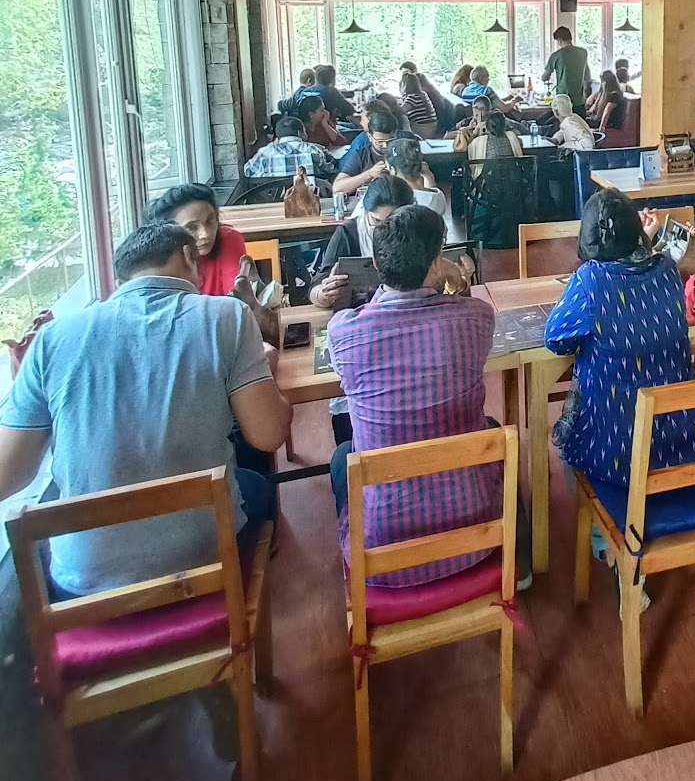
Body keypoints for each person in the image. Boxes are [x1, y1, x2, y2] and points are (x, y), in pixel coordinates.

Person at [0, 223, 291, 598]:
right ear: (187, 256)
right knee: (255, 485)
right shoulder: (226, 317)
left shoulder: (50, 341)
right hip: (206, 559)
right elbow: (268, 435)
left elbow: (8, 476)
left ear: (120, 278)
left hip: (82, 587)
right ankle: (243, 615)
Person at [327, 207, 530, 589]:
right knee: (492, 432)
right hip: (474, 531)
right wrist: (458, 282)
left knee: (343, 458)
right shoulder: (476, 318)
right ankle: (521, 566)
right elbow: (466, 321)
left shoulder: (345, 332)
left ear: (376, 263)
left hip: (383, 554)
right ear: (437, 261)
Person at [545, 189, 695, 603]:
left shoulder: (590, 281)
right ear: (637, 233)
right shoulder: (666, 270)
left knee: (568, 446)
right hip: (684, 438)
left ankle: (611, 542)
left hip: (618, 451)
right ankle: (646, 517)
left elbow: (555, 337)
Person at [310, 175, 415, 311]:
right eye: (377, 221)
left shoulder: (418, 230)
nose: (385, 228)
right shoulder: (349, 233)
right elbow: (316, 286)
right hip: (361, 314)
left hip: (410, 310)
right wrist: (324, 295)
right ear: (365, 211)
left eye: (393, 222)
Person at [144, 182, 247, 297]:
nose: (205, 234)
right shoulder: (158, 262)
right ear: (168, 232)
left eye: (210, 221)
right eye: (191, 228)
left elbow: (237, 297)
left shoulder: (228, 238)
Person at [244, 115, 340, 184]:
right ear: (299, 133)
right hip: (306, 200)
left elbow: (247, 171)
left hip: (272, 202)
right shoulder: (313, 150)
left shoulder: (265, 152)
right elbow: (330, 169)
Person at [333, 106, 404, 197]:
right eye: (379, 142)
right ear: (369, 137)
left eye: (390, 141)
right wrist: (369, 174)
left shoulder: (404, 151)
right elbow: (337, 188)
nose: (385, 146)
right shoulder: (362, 155)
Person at [386, 136, 449, 216]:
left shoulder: (393, 200)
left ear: (392, 169)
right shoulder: (437, 198)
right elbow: (430, 194)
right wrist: (429, 177)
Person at [542, 26, 589, 113]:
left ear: (560, 40)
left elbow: (544, 77)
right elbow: (586, 74)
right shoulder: (583, 52)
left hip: (563, 103)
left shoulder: (556, 55)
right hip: (579, 101)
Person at [467, 109, 524, 176]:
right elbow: (520, 144)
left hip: (489, 180)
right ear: (504, 125)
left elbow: (469, 147)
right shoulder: (512, 137)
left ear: (487, 126)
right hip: (512, 179)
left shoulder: (479, 141)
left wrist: (474, 133)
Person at [398, 70, 438, 137]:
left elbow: (400, 111)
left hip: (422, 130)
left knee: (403, 118)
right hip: (431, 128)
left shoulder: (413, 97)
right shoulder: (422, 94)